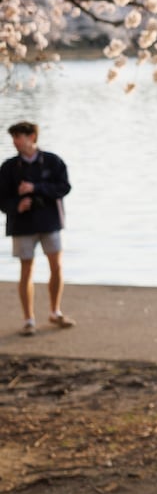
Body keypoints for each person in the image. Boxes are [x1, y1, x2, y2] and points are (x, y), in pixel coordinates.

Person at [0, 121, 74, 336]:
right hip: (22, 224)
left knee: (57, 267)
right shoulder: (8, 167)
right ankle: (28, 320)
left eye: (19, 136)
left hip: (50, 222)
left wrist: (36, 188)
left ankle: (55, 312)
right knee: (26, 269)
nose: (15, 141)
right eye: (13, 137)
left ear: (32, 136)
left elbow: (64, 187)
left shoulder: (52, 161)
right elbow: (1, 199)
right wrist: (17, 205)